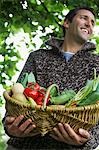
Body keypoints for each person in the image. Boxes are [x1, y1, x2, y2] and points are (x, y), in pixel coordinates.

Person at [3, 6, 99, 150]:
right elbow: (16, 97)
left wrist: (88, 140)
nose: (89, 24)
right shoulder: (38, 57)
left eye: (92, 22)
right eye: (84, 18)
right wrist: (9, 127)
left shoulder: (96, 62)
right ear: (66, 23)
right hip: (26, 145)